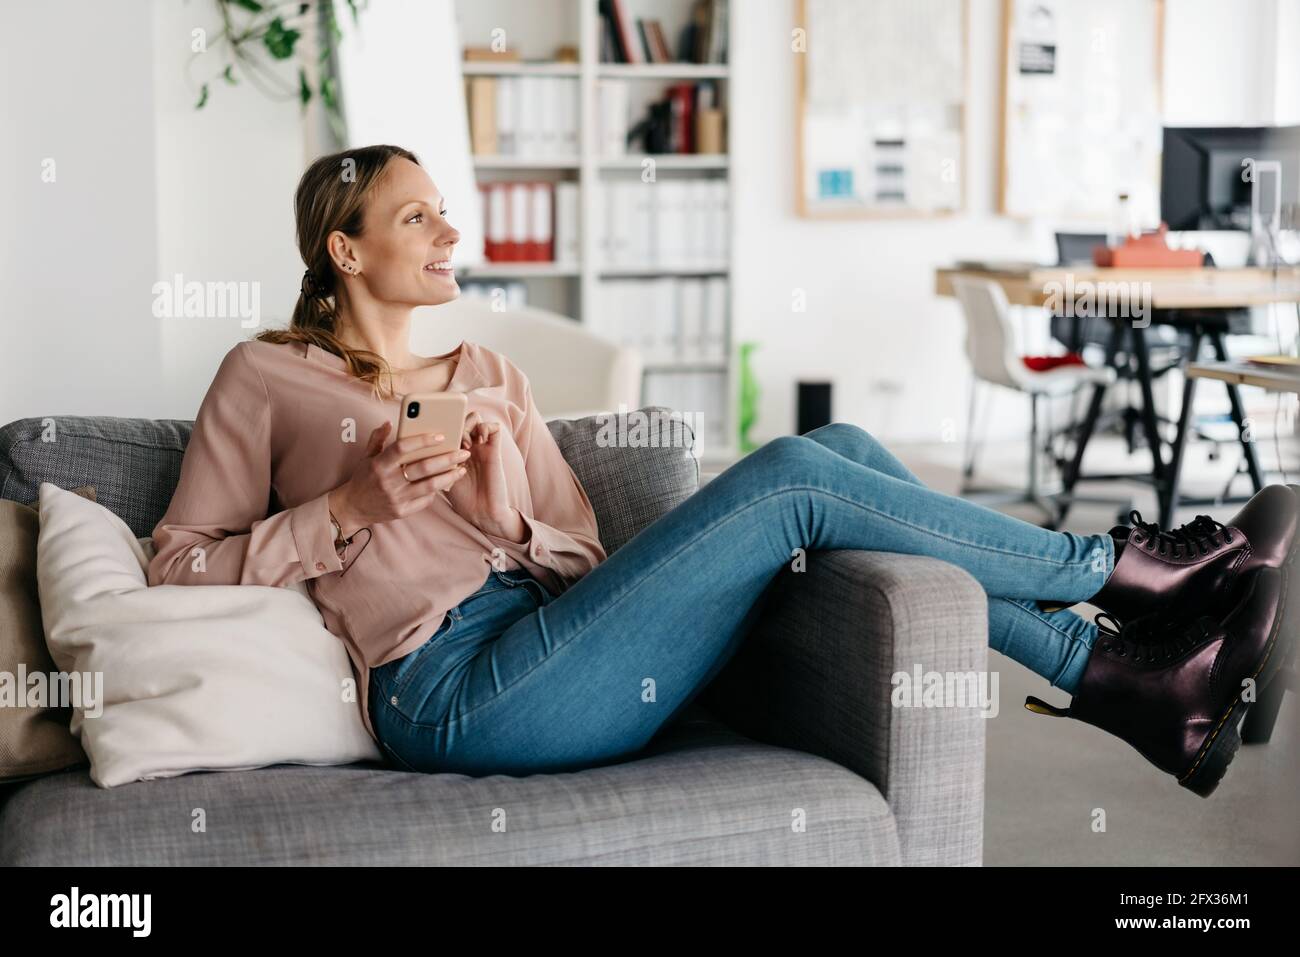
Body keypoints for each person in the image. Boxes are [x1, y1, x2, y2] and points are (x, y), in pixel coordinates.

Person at [147, 145, 1298, 799]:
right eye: (417, 217)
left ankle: (1135, 684)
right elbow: (174, 568)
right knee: (800, 471)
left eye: (447, 211)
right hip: (449, 692)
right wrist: (347, 510)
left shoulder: (488, 367)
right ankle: (1120, 574)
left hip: (557, 641)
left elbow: (584, 560)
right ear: (346, 250)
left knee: (838, 458)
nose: (451, 232)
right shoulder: (265, 376)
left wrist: (505, 505)